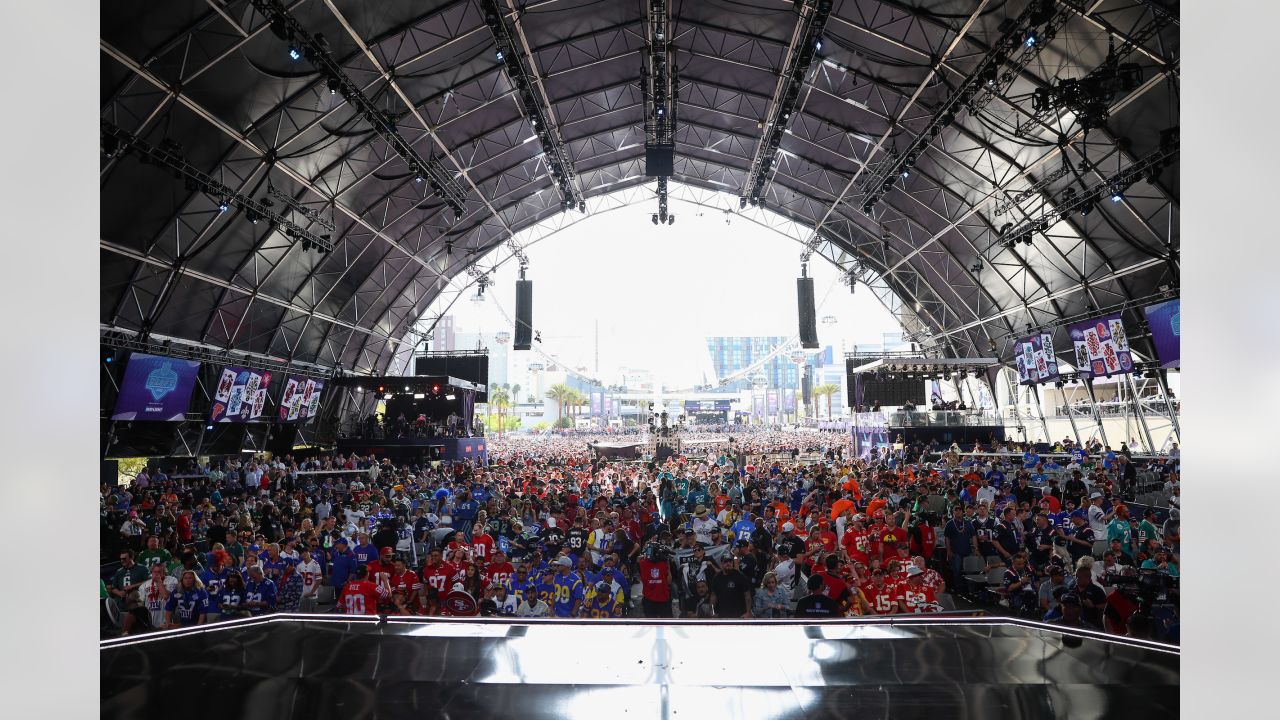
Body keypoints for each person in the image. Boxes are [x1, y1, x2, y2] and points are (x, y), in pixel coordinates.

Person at [138, 564, 177, 629]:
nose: (157, 574)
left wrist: (159, 581)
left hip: (166, 620)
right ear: (151, 573)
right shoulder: (144, 585)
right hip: (150, 621)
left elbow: (165, 596)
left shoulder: (172, 580)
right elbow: (141, 605)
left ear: (164, 572)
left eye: (159, 572)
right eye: (154, 572)